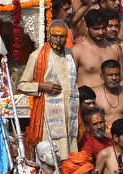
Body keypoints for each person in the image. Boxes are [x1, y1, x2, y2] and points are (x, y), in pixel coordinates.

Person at [19, 20, 80, 157]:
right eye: (55, 36)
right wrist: (41, 85)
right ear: (49, 36)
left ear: (67, 37)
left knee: (70, 156)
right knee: (50, 157)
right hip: (48, 117)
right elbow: (22, 85)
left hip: (69, 117)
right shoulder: (37, 56)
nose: (58, 39)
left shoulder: (70, 54)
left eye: (62, 36)